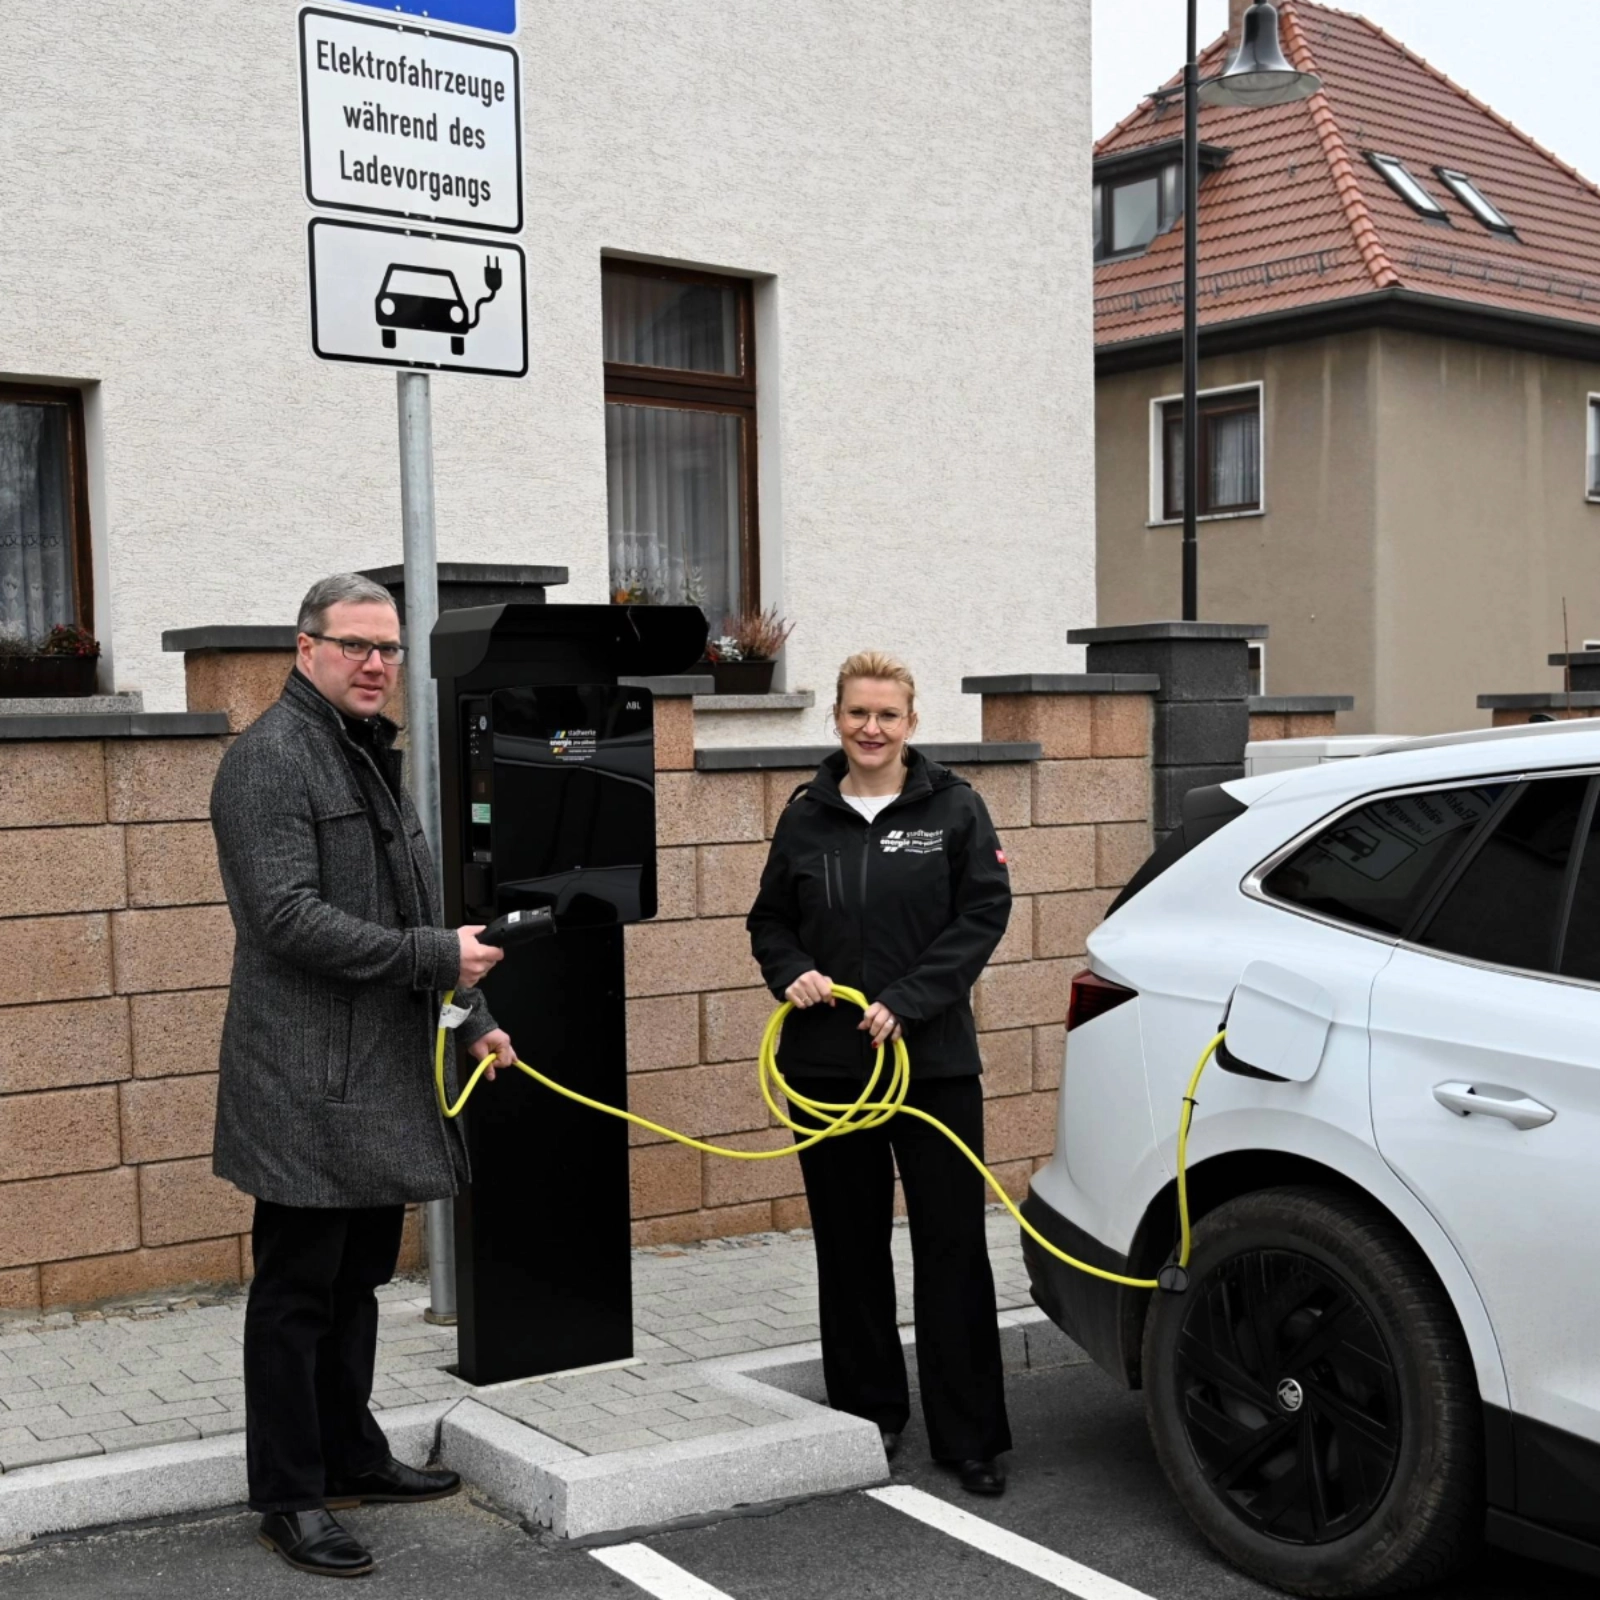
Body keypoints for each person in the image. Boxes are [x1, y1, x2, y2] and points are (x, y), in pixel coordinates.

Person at [209, 573, 515, 1579]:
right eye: (356, 646)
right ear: (307, 650)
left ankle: (354, 1454)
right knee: (296, 1294)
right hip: (302, 1086)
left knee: (357, 1285)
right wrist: (438, 962)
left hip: (378, 1078)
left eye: (388, 648)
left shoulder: (367, 754)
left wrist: (473, 1016)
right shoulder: (268, 761)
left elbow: (416, 902)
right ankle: (290, 1496)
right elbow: (285, 919)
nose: (377, 663)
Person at [747, 650, 1014, 1496]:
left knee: (951, 1247)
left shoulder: (955, 808)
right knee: (850, 1246)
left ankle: (969, 1438)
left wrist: (909, 999)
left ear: (911, 723)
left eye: (887, 715)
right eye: (858, 714)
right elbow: (769, 921)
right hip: (828, 1070)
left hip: (930, 1066)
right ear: (836, 719)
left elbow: (981, 916)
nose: (871, 728)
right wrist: (790, 968)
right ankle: (870, 1416)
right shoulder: (807, 815)